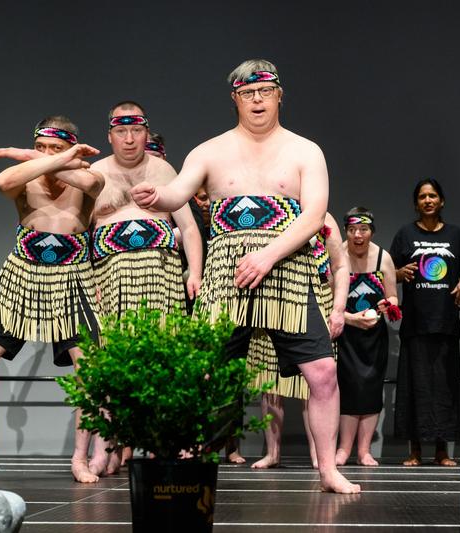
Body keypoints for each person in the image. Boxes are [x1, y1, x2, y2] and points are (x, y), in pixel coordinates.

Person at [130, 59, 360, 493]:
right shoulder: (209, 150)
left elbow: (314, 215)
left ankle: (328, 469)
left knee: (324, 373)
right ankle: (186, 459)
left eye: (264, 91)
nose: (257, 100)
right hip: (226, 275)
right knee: (200, 372)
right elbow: (179, 193)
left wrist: (268, 255)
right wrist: (157, 195)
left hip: (288, 271)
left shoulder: (305, 150)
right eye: (247, 93)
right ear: (235, 97)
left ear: (279, 95)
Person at [0, 117, 104, 482]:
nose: (45, 156)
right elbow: (2, 180)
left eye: (54, 149)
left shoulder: (89, 177)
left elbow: (90, 180)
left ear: (73, 148)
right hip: (22, 274)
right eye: (39, 148)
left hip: (73, 279)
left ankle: (79, 458)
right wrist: (47, 157)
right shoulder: (23, 178)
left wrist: (35, 156)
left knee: (90, 372)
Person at [89, 102, 204, 473]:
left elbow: (187, 226)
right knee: (110, 366)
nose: (128, 138)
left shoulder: (163, 169)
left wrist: (195, 273)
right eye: (120, 132)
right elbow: (80, 231)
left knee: (165, 364)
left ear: (145, 132)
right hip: (111, 279)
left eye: (135, 130)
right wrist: (89, 283)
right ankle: (105, 447)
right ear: (110, 135)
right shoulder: (95, 173)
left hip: (162, 277)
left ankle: (161, 446)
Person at [249, 212, 349, 469]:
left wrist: (338, 309)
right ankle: (273, 453)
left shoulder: (323, 218)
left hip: (315, 301)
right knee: (270, 384)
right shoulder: (270, 210)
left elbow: (340, 266)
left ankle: (320, 457)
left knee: (316, 381)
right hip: (272, 302)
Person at [391, 178, 460, 466]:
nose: (428, 200)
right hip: (415, 322)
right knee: (416, 386)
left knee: (444, 388)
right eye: (423, 196)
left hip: (446, 322)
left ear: (441, 201)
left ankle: (442, 451)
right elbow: (389, 274)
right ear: (416, 203)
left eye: (433, 195)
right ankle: (414, 451)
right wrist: (400, 274)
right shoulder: (405, 234)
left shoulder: (455, 234)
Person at [335, 208, 398, 467]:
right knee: (348, 389)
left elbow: (394, 297)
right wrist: (351, 319)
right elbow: (326, 302)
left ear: (372, 231)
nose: (357, 235)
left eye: (363, 230)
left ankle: (364, 451)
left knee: (371, 390)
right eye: (352, 230)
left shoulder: (384, 258)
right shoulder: (336, 257)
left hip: (374, 336)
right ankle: (343, 448)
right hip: (345, 334)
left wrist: (388, 305)